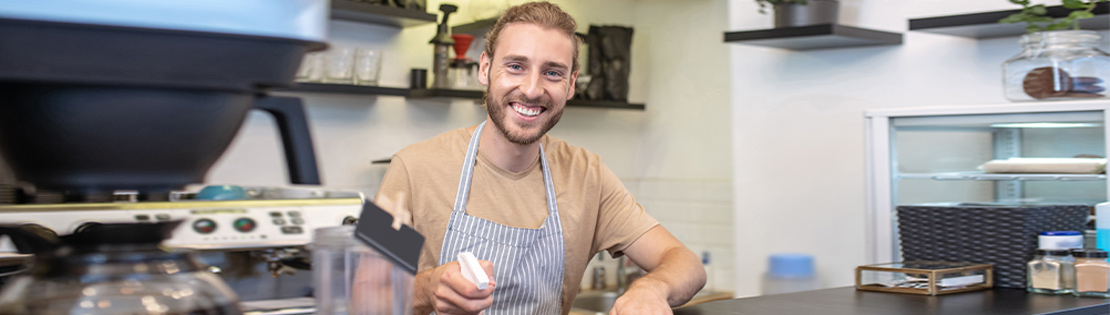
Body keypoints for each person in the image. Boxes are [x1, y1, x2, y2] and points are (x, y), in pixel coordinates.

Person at [370, 2, 705, 314]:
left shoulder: (588, 175)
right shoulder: (411, 168)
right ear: (485, 68)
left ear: (571, 84)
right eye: (516, 66)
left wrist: (651, 288)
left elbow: (685, 262)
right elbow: (363, 294)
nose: (531, 89)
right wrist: (426, 288)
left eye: (553, 73)